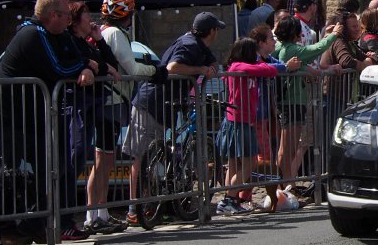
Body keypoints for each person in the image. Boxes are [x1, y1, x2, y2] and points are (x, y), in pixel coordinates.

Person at [0, 0, 96, 244]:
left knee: (49, 166)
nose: (71, 19)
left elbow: (79, 56)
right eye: (67, 15)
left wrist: (89, 64)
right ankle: (2, 228)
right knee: (11, 169)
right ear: (54, 15)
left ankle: (36, 224)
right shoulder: (32, 34)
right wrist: (84, 66)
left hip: (36, 112)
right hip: (12, 112)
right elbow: (57, 68)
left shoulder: (59, 35)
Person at [122, 12, 224, 225]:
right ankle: (134, 209)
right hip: (150, 104)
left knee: (156, 155)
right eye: (217, 30)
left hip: (165, 107)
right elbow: (172, 68)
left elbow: (210, 58)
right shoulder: (189, 44)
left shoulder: (197, 43)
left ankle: (157, 205)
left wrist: (211, 65)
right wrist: (201, 69)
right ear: (212, 31)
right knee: (141, 157)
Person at [86, 0, 154, 234]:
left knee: (104, 158)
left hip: (109, 100)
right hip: (110, 101)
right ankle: (94, 213)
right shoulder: (115, 33)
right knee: (103, 159)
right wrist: (155, 70)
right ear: (129, 14)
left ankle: (99, 212)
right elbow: (132, 67)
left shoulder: (107, 32)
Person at [216, 38, 298, 215]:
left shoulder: (249, 67)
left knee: (239, 164)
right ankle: (228, 199)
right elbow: (261, 69)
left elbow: (263, 68)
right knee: (249, 162)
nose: (256, 56)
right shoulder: (237, 66)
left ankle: (231, 200)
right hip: (237, 121)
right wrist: (283, 67)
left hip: (245, 121)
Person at [66, 2, 123, 237]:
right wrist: (97, 67)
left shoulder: (86, 42)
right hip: (79, 106)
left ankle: (97, 214)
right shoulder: (71, 41)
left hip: (94, 106)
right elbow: (100, 67)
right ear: (75, 19)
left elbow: (110, 63)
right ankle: (83, 215)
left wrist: (99, 40)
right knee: (77, 158)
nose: (91, 19)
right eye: (86, 15)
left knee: (93, 159)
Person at [274, 16, 339, 189]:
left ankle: (287, 184)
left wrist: (304, 68)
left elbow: (299, 63)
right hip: (293, 101)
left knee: (288, 147)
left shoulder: (283, 47)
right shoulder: (292, 49)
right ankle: (285, 186)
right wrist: (333, 36)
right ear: (295, 32)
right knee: (288, 147)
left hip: (293, 101)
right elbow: (316, 49)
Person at [320, 11, 378, 121]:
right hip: (333, 97)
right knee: (332, 133)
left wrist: (369, 58)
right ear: (344, 28)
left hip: (342, 97)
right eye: (354, 26)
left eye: (358, 26)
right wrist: (365, 64)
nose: (358, 29)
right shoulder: (338, 41)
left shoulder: (349, 43)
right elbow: (346, 61)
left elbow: (367, 58)